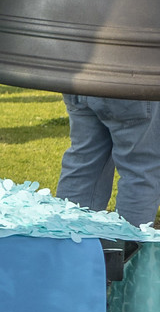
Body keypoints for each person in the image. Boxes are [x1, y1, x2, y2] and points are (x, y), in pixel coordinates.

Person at [59, 95, 160, 229]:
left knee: (83, 161)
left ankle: (66, 241)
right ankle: (127, 246)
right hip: (133, 87)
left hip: (81, 83)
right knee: (140, 169)